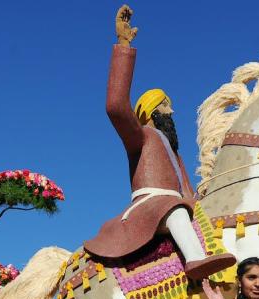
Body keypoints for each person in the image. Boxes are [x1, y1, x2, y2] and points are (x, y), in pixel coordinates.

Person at [82, 5, 235, 280]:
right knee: (173, 209)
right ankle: (195, 261)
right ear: (151, 112)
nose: (172, 112)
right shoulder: (140, 136)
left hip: (178, 203)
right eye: (166, 106)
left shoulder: (174, 152)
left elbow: (188, 191)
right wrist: (123, 45)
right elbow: (116, 105)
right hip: (151, 205)